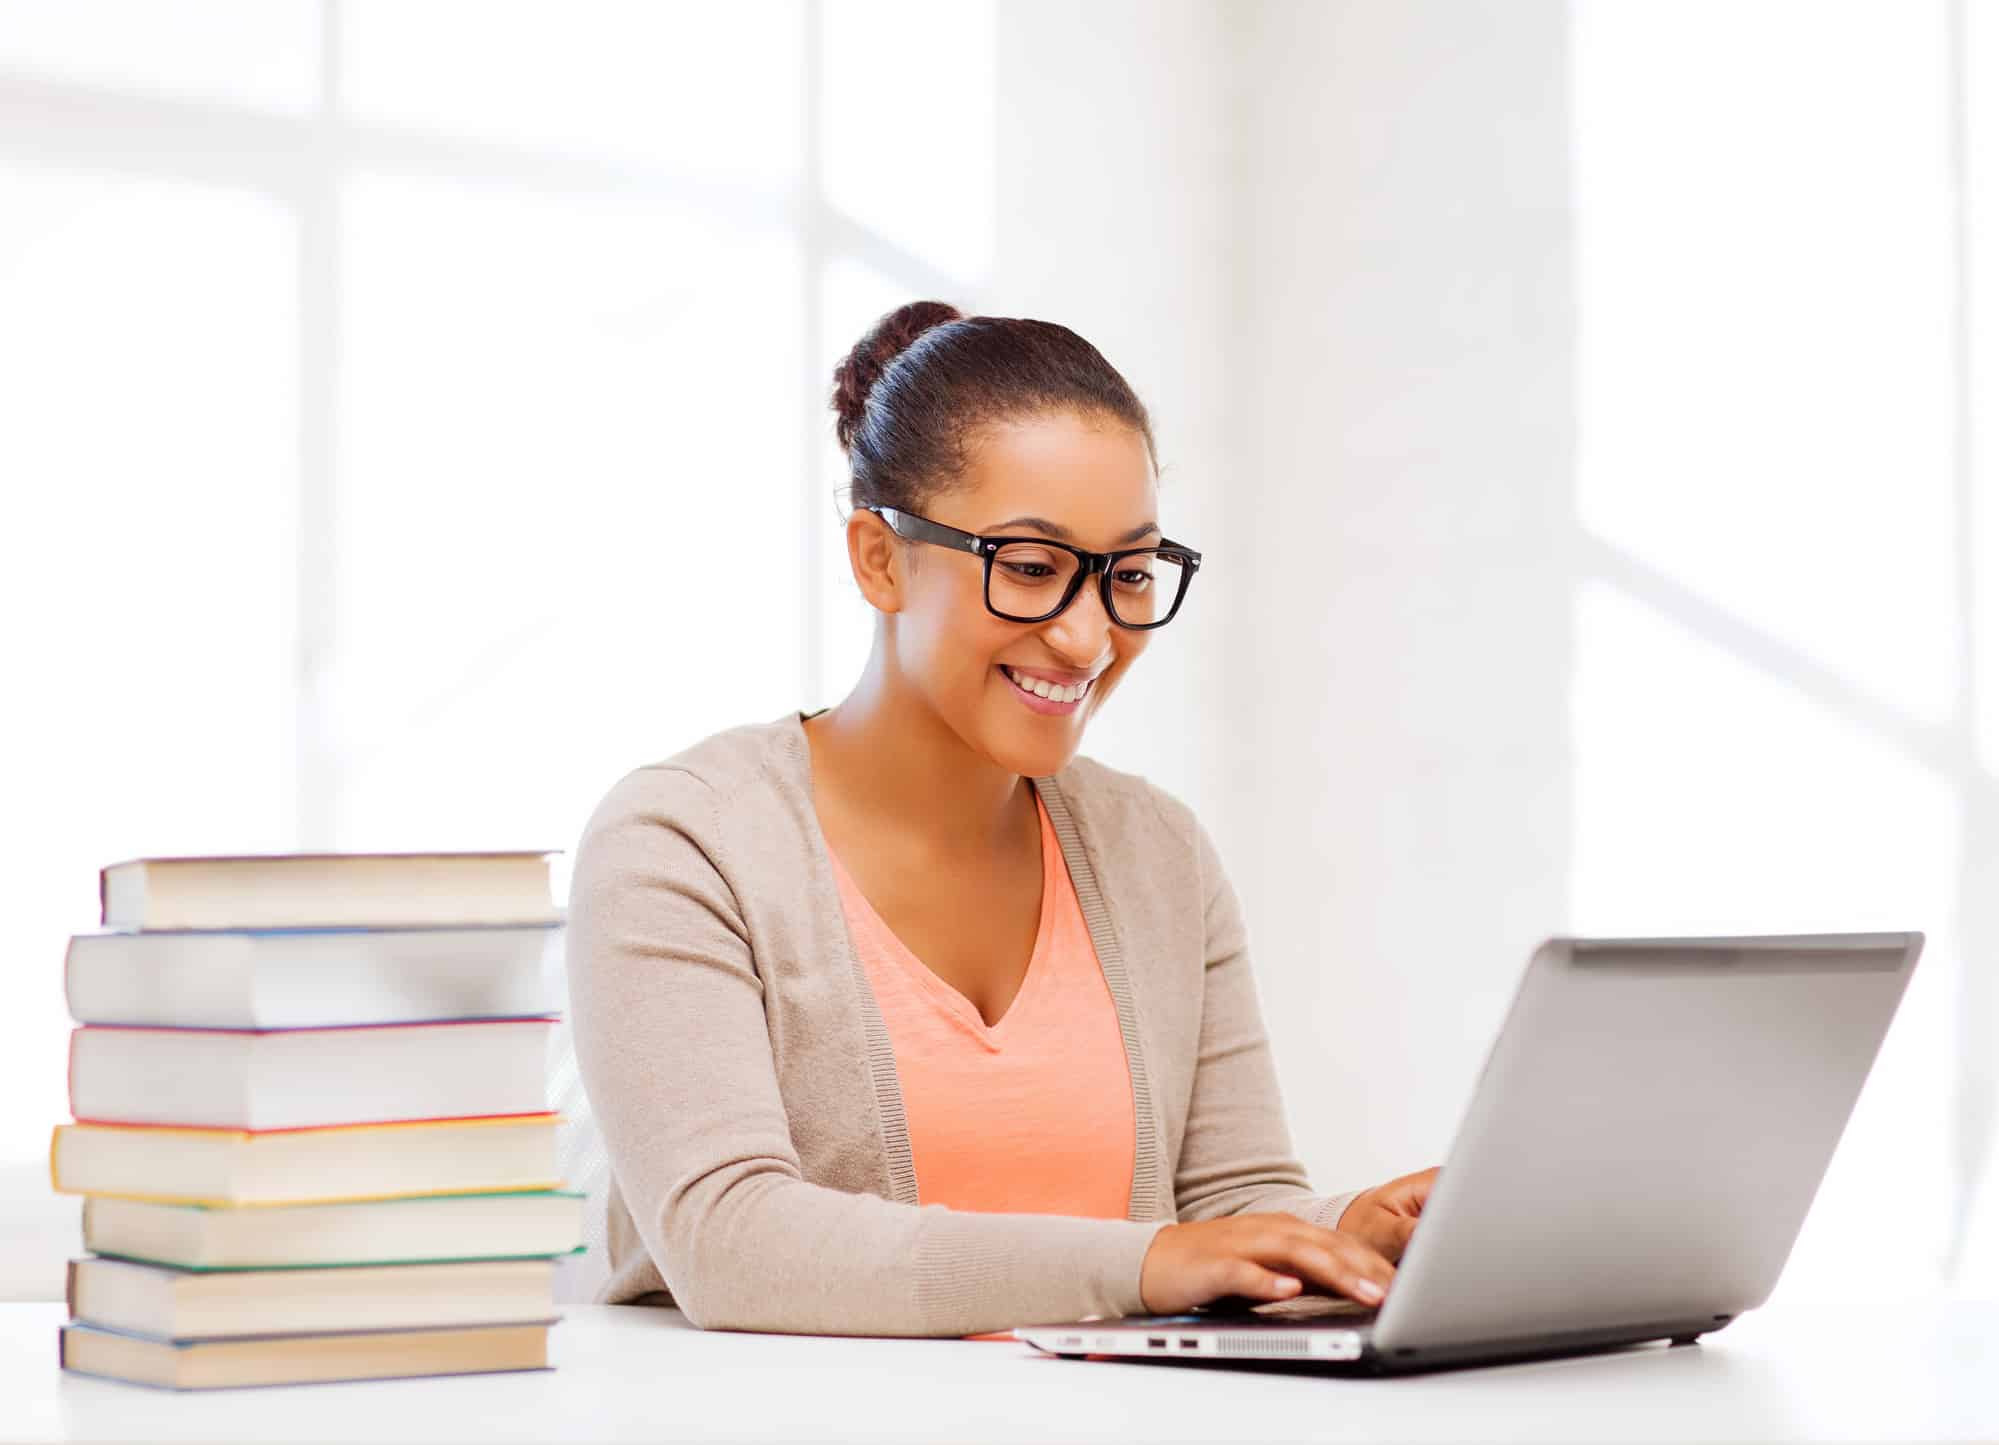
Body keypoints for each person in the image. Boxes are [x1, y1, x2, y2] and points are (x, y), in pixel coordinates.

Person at [565, 300, 1438, 1339]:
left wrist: (1347, 1228)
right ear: (879, 558)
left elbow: (1228, 1204)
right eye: (1029, 567)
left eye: (1126, 573)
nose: (1086, 636)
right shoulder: (685, 842)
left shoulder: (1157, 851)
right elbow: (731, 1243)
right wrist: (1146, 1259)